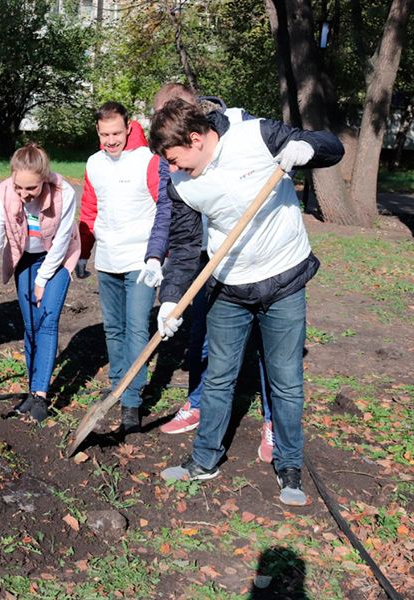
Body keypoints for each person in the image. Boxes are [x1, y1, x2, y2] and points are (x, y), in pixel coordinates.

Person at [150, 97, 344, 505]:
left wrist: (308, 148)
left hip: (284, 278)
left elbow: (332, 146)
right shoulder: (182, 184)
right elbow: (186, 248)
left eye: (175, 157)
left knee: (286, 379)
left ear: (197, 138)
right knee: (218, 375)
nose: (173, 167)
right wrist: (171, 299)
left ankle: (289, 465)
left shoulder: (256, 136)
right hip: (229, 289)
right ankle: (204, 460)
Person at [137, 83, 276, 464]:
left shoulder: (233, 133)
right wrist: (156, 258)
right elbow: (169, 211)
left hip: (252, 257)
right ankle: (198, 403)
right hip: (197, 258)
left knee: (266, 346)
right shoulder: (172, 152)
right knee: (200, 334)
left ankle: (273, 421)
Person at [0, 143, 80, 422]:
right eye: (19, 187)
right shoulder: (1, 196)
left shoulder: (64, 193)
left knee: (46, 321)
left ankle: (40, 396)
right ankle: (31, 388)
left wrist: (42, 278)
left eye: (31, 189)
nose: (24, 195)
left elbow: (61, 243)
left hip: (57, 259)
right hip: (25, 258)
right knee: (30, 326)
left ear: (44, 179)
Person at [79, 101, 159, 435]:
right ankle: (117, 384)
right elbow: (89, 209)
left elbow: (164, 208)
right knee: (113, 327)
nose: (111, 140)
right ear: (97, 132)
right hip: (108, 259)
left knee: (137, 327)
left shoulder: (148, 161)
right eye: (104, 134)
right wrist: (84, 254)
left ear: (129, 127)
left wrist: (159, 255)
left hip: (141, 260)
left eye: (116, 133)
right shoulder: (94, 163)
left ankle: (132, 400)